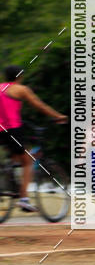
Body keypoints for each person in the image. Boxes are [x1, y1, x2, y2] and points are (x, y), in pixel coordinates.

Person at [0, 64, 67, 212]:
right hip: (11, 129)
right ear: (19, 76)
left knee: (14, 157)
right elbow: (39, 105)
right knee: (28, 160)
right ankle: (24, 199)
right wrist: (58, 116)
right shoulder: (21, 89)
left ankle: (9, 176)